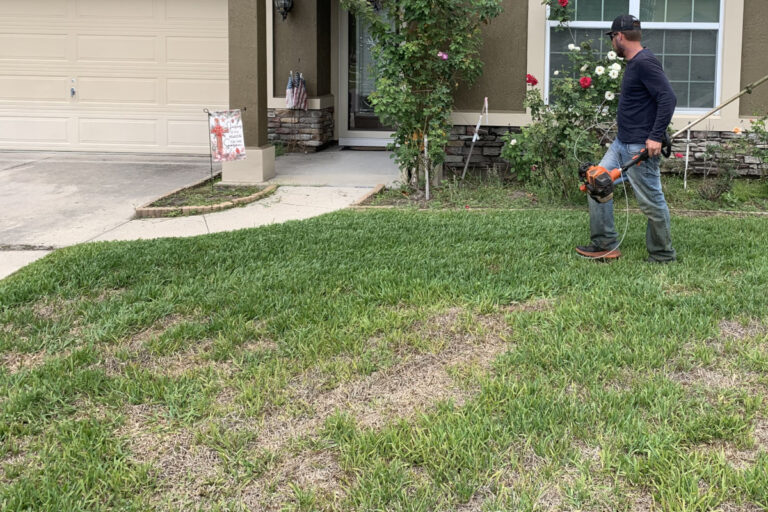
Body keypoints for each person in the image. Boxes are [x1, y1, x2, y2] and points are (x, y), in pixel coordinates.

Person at [575, 14, 677, 263]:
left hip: (638, 146)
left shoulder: (644, 62)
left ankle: (663, 254)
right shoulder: (636, 62)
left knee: (652, 202)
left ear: (619, 36)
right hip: (622, 142)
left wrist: (654, 137)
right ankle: (606, 246)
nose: (612, 43)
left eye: (612, 38)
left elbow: (668, 98)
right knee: (596, 183)